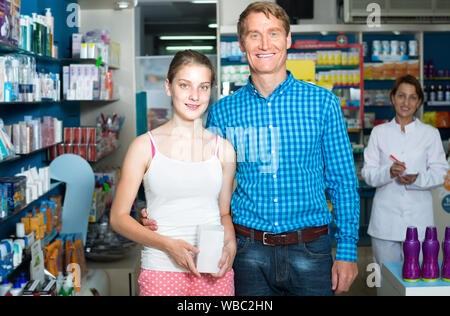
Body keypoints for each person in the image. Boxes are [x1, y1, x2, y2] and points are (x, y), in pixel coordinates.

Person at [142, 1, 359, 296]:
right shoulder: (223, 111)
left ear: (288, 40)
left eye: (273, 33)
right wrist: (162, 207)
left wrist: (347, 250)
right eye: (254, 35)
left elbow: (343, 182)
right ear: (242, 44)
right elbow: (206, 181)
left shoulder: (323, 103)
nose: (264, 43)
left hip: (311, 250)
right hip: (247, 253)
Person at [110, 50, 237, 296]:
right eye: (184, 85)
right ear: (168, 87)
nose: (194, 96)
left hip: (213, 270)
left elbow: (223, 213)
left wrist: (230, 243)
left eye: (203, 87)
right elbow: (118, 218)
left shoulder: (224, 150)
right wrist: (168, 245)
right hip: (161, 270)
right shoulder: (144, 146)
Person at [362, 75, 448, 268]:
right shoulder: (379, 133)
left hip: (419, 220)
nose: (406, 102)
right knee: (384, 282)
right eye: (401, 96)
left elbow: (440, 173)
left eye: (412, 97)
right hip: (385, 222)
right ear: (392, 98)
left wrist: (417, 178)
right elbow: (368, 174)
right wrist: (389, 172)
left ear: (418, 102)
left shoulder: (430, 134)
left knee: (417, 279)